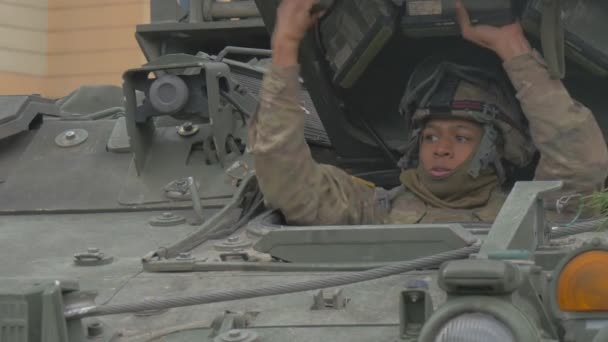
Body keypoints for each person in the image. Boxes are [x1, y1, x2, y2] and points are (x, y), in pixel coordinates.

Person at [248, 0, 608, 225]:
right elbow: (289, 183)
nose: (441, 148)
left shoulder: (528, 216)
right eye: (432, 135)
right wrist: (285, 48)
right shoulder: (374, 210)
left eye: (462, 136)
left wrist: (514, 49)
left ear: (496, 147)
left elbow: (580, 161)